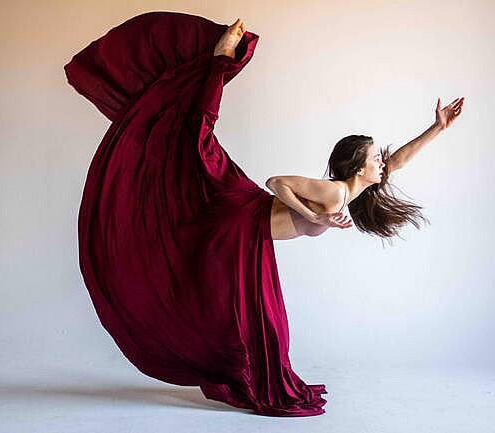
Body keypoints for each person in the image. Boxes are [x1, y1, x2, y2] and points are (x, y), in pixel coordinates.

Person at [64, 11, 463, 417]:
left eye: (381, 158)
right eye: (376, 158)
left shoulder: (352, 187)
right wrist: (317, 216)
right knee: (195, 140)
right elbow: (276, 183)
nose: (383, 162)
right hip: (239, 221)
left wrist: (437, 128)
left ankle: (232, 369)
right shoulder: (334, 192)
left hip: (248, 227)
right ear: (360, 168)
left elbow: (398, 161)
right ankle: (218, 60)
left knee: (256, 321)